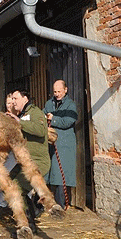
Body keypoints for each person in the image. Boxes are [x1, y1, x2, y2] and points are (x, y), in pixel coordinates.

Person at [5, 89, 50, 233]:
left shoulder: (35, 112)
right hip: (25, 161)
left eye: (16, 98)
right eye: (12, 99)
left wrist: (19, 122)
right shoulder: (22, 114)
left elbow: (41, 131)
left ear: (25, 98)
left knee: (19, 189)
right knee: (11, 184)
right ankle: (28, 222)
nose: (13, 102)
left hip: (37, 162)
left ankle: (28, 225)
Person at [43, 80, 78, 209]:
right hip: (51, 143)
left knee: (61, 174)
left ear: (65, 90)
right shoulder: (49, 103)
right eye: (55, 91)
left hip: (64, 144)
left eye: (59, 91)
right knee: (48, 172)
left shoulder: (70, 105)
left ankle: (61, 204)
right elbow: (42, 115)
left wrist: (53, 119)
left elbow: (68, 121)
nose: (57, 94)